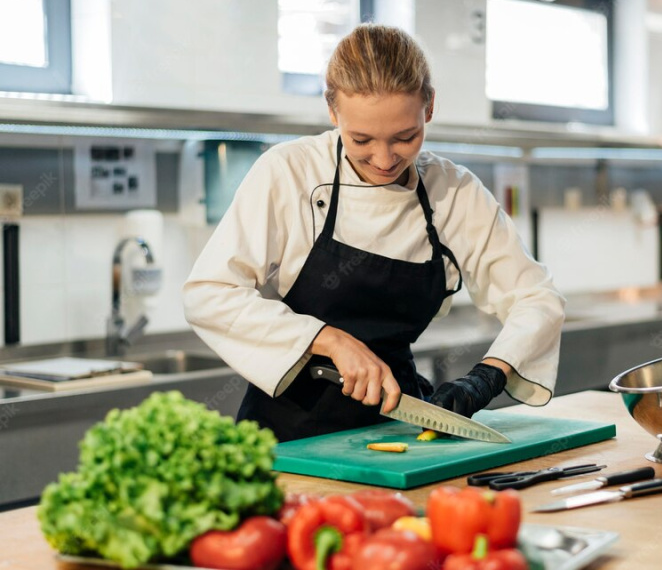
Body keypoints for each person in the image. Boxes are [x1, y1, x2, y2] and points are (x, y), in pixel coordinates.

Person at [183, 24, 565, 442]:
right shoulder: (288, 172)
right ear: (333, 111)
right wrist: (327, 339)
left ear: (430, 107)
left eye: (406, 137)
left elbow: (536, 298)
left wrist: (488, 376)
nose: (384, 159)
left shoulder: (453, 192)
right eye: (361, 139)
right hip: (286, 437)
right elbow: (209, 292)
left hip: (401, 425)